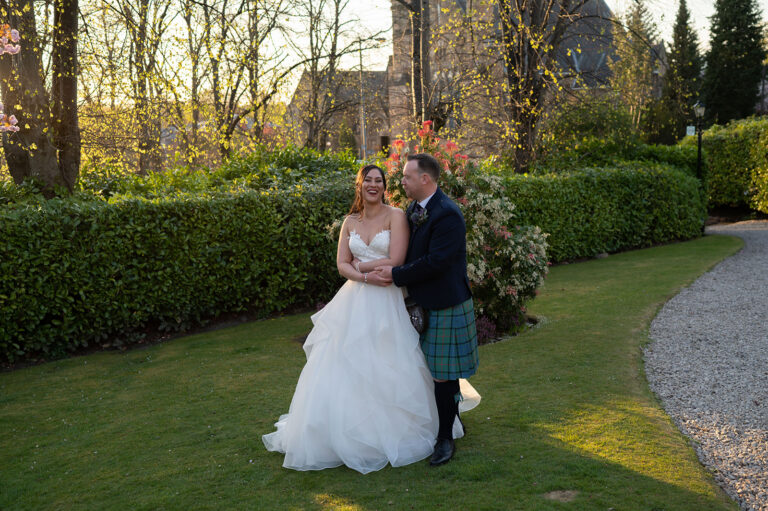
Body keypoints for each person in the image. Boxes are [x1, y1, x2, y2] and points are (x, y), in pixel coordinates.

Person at [262, 164, 479, 474]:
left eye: (382, 180)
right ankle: (348, 432)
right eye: (369, 181)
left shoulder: (400, 215)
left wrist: (362, 266)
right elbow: (342, 264)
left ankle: (442, 430)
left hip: (390, 296)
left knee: (407, 361)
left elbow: (398, 261)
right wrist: (363, 275)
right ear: (360, 186)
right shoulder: (350, 222)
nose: (375, 185)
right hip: (356, 297)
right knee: (346, 362)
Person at [375, 153, 479, 466]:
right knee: (437, 372)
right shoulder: (415, 209)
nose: (401, 181)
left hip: (446, 302)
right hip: (424, 301)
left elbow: (436, 262)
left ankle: (445, 439)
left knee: (442, 376)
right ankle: (453, 423)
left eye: (407, 177)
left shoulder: (447, 213)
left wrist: (395, 276)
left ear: (425, 179)